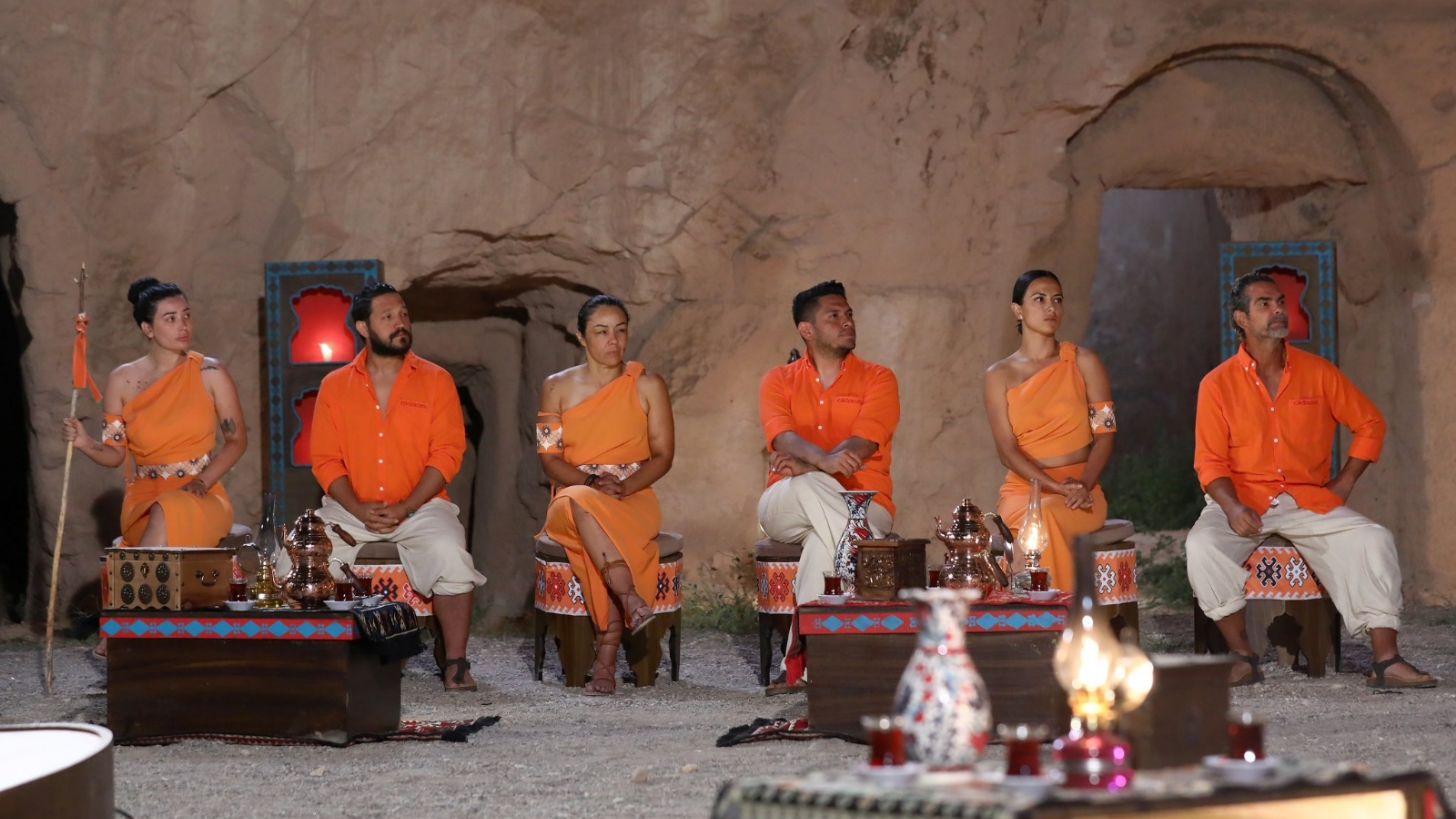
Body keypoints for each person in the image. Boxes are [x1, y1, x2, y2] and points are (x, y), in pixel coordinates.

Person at [1187, 272, 1437, 689]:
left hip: (1308, 500)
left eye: (1280, 302)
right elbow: (1209, 462)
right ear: (1241, 319)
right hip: (1242, 499)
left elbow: (1371, 424)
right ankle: (1242, 656)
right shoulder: (1216, 384)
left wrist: (1345, 482)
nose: (1278, 310)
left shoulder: (1318, 372)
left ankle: (1386, 661)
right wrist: (1231, 508)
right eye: (1265, 304)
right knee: (1202, 546)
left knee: (1373, 539)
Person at [310, 282, 486, 692]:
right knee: (299, 563)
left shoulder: (437, 380)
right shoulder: (335, 385)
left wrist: (407, 506)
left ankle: (455, 662)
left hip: (421, 507)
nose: (400, 322)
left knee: (451, 555)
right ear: (363, 328)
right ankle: (321, 663)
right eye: (388, 316)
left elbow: (447, 454)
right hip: (350, 511)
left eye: (404, 314)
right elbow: (325, 460)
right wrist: (357, 508)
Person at [536, 294, 675, 696]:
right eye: (601, 332)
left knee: (594, 523)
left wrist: (626, 485)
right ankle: (629, 602)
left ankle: (607, 656)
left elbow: (664, 455)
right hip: (572, 494)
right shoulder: (554, 387)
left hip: (633, 497)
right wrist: (590, 481)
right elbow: (548, 458)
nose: (613, 340)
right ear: (581, 337)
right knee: (579, 501)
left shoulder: (648, 385)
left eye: (620, 330)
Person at [63, 278, 246, 549]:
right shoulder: (122, 380)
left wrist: (203, 481)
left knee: (167, 510)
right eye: (170, 319)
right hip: (143, 501)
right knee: (160, 511)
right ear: (147, 329)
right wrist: (84, 443)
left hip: (201, 495)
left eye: (186, 316)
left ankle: (141, 578)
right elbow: (115, 454)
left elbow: (237, 441)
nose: (183, 326)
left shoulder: (210, 372)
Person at [758, 280, 899, 604]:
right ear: (806, 330)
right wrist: (823, 463)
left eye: (849, 314)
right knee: (805, 486)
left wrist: (809, 466)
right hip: (787, 501)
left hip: (867, 504)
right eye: (834, 316)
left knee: (822, 543)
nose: (847, 321)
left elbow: (863, 444)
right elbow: (783, 437)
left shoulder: (879, 379)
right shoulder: (778, 380)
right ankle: (875, 581)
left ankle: (804, 637)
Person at [984, 270, 1114, 592]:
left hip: (1082, 493)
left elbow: (1105, 435)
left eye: (1057, 300)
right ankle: (1050, 610)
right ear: (1018, 310)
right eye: (1039, 299)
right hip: (1023, 492)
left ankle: (1049, 612)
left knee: (1047, 515)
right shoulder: (998, 375)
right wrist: (1054, 487)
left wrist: (1083, 485)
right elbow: (1007, 452)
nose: (1050, 307)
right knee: (1039, 515)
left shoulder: (1084, 362)